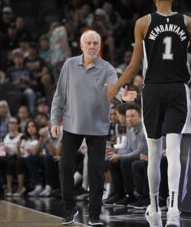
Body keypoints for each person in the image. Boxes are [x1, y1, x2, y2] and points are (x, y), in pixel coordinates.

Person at [107, 0, 191, 226]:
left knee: (155, 154)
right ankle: (174, 211)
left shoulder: (143, 23)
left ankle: (154, 208)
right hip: (178, 90)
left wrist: (116, 87)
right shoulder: (187, 21)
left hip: (153, 91)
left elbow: (134, 64)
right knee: (175, 152)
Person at [51, 30, 136, 226]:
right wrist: (55, 121)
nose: (92, 46)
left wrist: (122, 96)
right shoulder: (69, 65)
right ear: (81, 46)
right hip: (72, 125)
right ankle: (69, 209)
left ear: (100, 45)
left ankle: (95, 214)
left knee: (96, 171)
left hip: (98, 127)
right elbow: (59, 96)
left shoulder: (107, 68)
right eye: (88, 43)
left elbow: (115, 90)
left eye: (95, 43)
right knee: (65, 167)